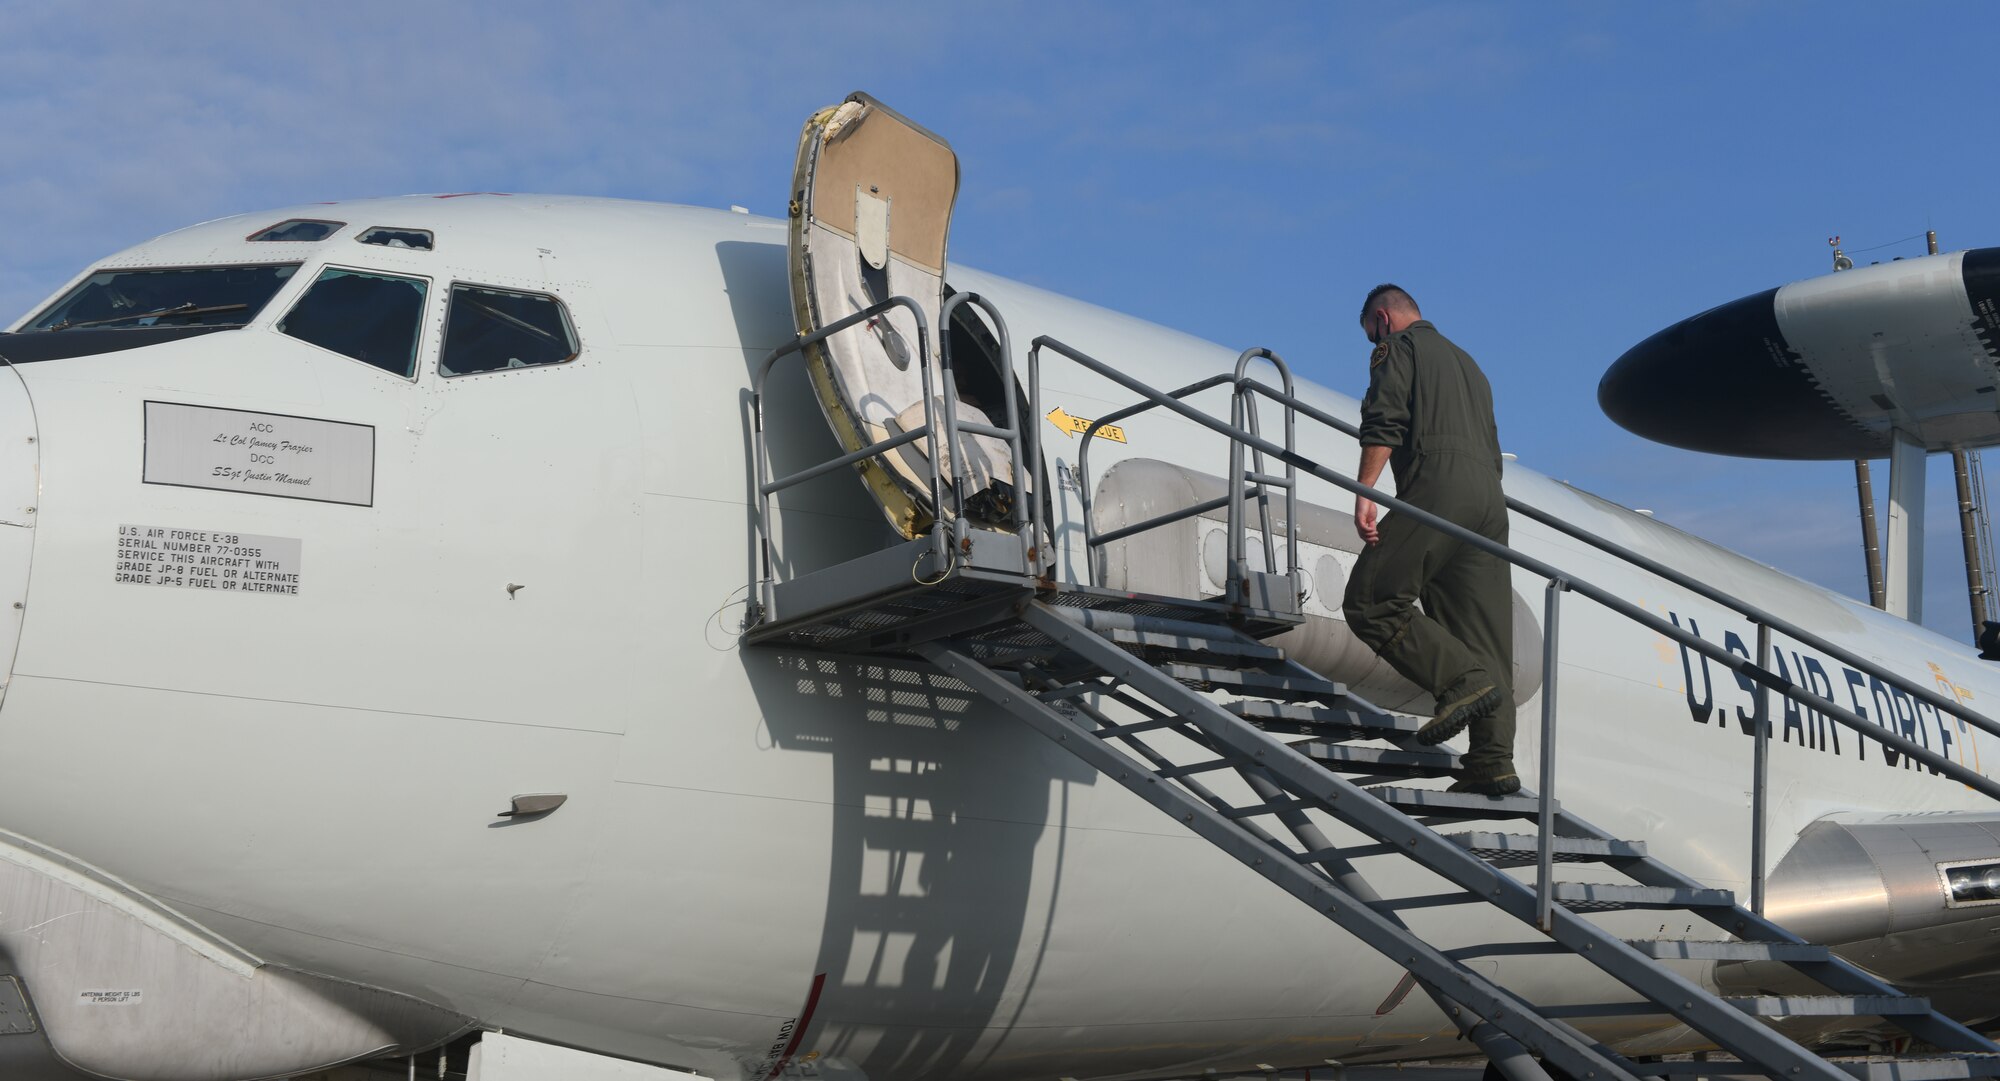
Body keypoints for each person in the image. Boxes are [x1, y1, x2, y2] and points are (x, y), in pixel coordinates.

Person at [1341, 284, 1519, 796]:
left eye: (1370, 335)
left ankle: (1461, 682)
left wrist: (1365, 491)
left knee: (1372, 601)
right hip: (1489, 503)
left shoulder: (1399, 348)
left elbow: (1384, 418)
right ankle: (1492, 761)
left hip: (1438, 487)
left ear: (1382, 319)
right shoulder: (1470, 365)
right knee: (1484, 636)